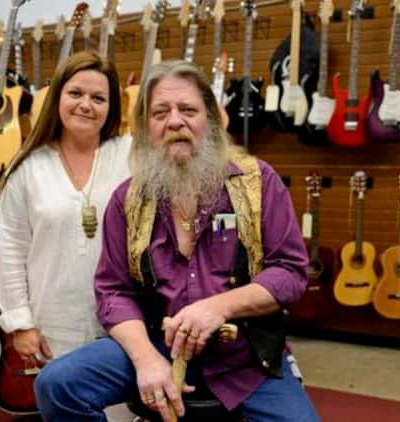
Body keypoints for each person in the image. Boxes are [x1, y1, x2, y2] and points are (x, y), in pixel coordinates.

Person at [33, 60, 320, 422]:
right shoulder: (128, 199)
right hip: (158, 344)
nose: (174, 122)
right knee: (57, 385)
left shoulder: (258, 183)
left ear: (211, 121)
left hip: (246, 358)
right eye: (160, 112)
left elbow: (291, 272)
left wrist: (218, 307)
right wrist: (146, 359)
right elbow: (113, 292)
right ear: (145, 127)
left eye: (188, 109)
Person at [0, 51, 131, 365]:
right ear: (57, 97)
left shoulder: (129, 156)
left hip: (123, 323)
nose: (86, 104)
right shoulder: (28, 168)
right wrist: (21, 322)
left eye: (98, 97)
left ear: (111, 108)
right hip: (53, 326)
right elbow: (12, 250)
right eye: (75, 93)